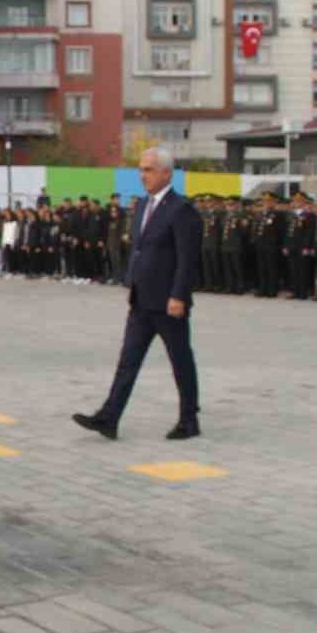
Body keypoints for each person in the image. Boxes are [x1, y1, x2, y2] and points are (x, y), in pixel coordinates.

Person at [73, 147, 202, 441]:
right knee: (128, 361)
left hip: (169, 302)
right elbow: (140, 249)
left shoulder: (181, 210)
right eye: (141, 169)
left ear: (167, 173)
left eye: (149, 169)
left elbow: (187, 259)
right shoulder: (142, 206)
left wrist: (179, 296)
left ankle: (189, 419)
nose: (142, 175)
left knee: (180, 361)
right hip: (142, 300)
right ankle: (109, 417)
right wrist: (131, 281)